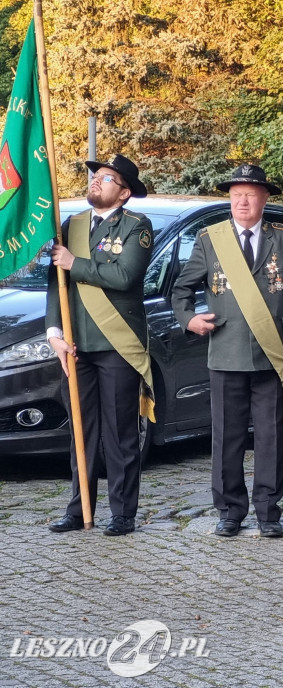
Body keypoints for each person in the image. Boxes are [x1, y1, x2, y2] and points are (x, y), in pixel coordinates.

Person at [171, 164, 283, 538]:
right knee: (226, 436)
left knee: (270, 437)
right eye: (236, 195)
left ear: (265, 198)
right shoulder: (210, 240)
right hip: (226, 352)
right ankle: (230, 511)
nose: (242, 201)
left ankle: (269, 511)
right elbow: (181, 291)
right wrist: (190, 320)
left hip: (272, 354)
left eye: (250, 194)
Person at [45, 154, 153, 536]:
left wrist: (76, 263)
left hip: (116, 345)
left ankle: (123, 513)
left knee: (120, 433)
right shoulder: (70, 226)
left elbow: (125, 276)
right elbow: (54, 286)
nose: (96, 181)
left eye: (106, 178)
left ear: (123, 193)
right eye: (95, 176)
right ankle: (80, 508)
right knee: (81, 432)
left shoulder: (137, 227)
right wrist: (54, 334)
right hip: (76, 345)